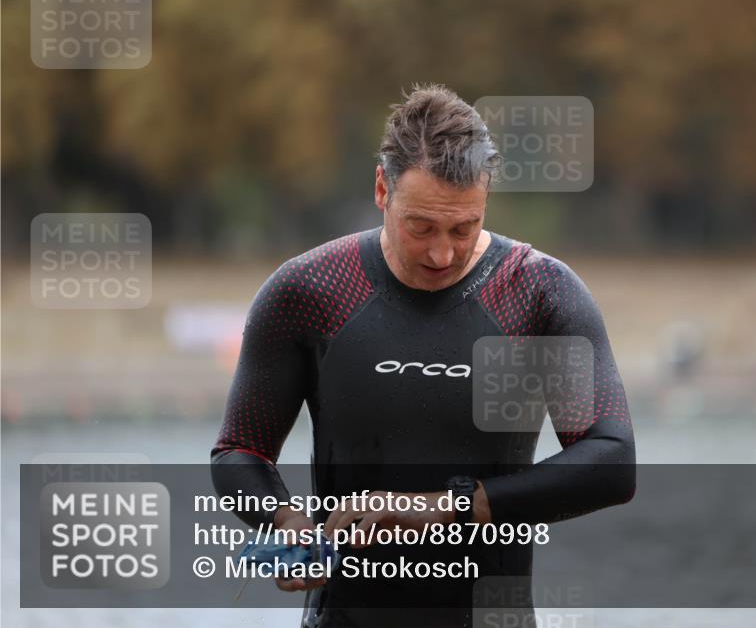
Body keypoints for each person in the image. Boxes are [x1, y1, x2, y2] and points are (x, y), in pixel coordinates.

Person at [211, 83, 635, 627]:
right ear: (382, 189)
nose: (442, 253)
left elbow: (612, 461)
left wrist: (440, 506)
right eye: (422, 227)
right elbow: (240, 451)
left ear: (485, 198)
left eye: (464, 228)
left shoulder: (537, 292)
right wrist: (284, 521)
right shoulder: (311, 290)